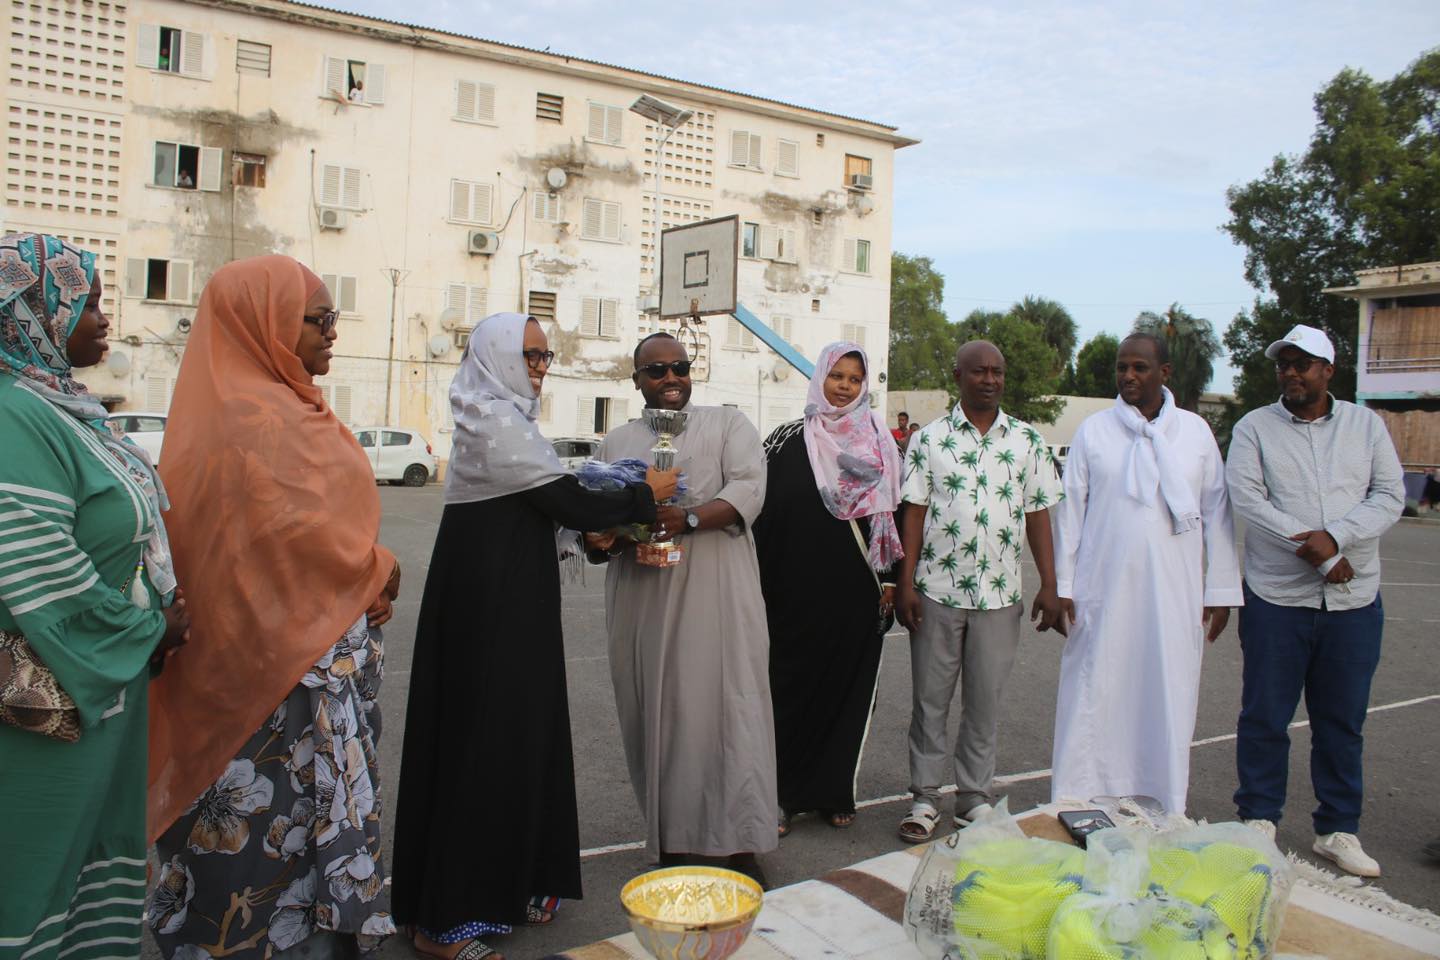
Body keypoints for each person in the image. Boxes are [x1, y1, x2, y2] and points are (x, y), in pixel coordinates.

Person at [392, 314, 671, 960]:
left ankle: (508, 882)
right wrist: (642, 498)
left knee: (520, 737)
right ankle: (443, 922)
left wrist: (609, 514)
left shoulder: (509, 418)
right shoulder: (490, 418)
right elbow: (566, 500)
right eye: (530, 356)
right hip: (487, 612)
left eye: (546, 356)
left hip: (515, 605)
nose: (541, 366)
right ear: (496, 358)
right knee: (481, 742)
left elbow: (547, 506)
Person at [146, 256, 400, 958]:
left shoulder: (287, 406)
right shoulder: (247, 419)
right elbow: (296, 541)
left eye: (333, 319)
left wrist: (370, 568)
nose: (332, 335)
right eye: (318, 320)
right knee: (254, 859)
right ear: (263, 322)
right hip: (261, 686)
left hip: (304, 669)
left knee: (291, 851)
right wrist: (378, 565)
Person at [0, 233, 188, 960]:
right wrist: (147, 629)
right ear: (34, 313)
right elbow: (35, 564)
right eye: (87, 302)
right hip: (50, 695)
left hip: (103, 687)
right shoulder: (15, 415)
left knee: (88, 868)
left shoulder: (63, 405)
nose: (103, 317)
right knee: (35, 872)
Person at [587, 332, 776, 884]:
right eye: (656, 370)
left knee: (728, 709)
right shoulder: (618, 439)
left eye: (680, 367)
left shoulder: (727, 425)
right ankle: (671, 842)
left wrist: (687, 518)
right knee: (658, 712)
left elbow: (750, 488)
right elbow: (598, 516)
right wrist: (613, 533)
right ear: (637, 380)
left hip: (717, 596)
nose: (670, 378)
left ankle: (741, 846)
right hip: (643, 600)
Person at [1227, 324, 1404, 878]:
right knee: (1264, 715)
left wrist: (1341, 536)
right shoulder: (1255, 427)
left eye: (1303, 363)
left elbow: (1389, 493)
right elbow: (1247, 498)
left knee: (1342, 721)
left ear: (1329, 369)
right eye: (1284, 363)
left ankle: (1337, 829)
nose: (1291, 373)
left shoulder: (1365, 425)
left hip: (1353, 602)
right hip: (1277, 598)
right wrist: (1320, 552)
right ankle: (1257, 819)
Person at [1048, 333, 1242, 815]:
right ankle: (1078, 795)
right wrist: (1063, 587)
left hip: (1173, 595)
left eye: (1139, 368)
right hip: (1104, 591)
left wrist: (1219, 590)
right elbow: (1069, 513)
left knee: (1167, 690)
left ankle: (1162, 800)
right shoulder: (1094, 431)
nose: (1128, 377)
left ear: (1164, 374)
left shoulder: (1195, 434)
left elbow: (1217, 515)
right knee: (1096, 687)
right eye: (1121, 368)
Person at [894, 340, 1064, 843]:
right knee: (930, 701)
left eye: (997, 372)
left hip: (999, 597)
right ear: (959, 376)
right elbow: (914, 513)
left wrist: (1050, 585)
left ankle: (974, 798)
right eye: (979, 371)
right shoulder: (929, 440)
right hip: (936, 593)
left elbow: (1038, 515)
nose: (990, 380)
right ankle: (924, 797)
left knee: (984, 702)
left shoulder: (1027, 441)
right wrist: (905, 583)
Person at [755, 342, 903, 835]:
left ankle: (833, 790)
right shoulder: (785, 440)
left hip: (855, 594)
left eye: (854, 379)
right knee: (785, 690)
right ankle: (781, 795)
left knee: (848, 689)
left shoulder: (881, 443)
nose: (844, 386)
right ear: (821, 377)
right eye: (836, 375)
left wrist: (891, 582)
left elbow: (895, 519)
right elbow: (759, 512)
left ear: (865, 387)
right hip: (789, 592)